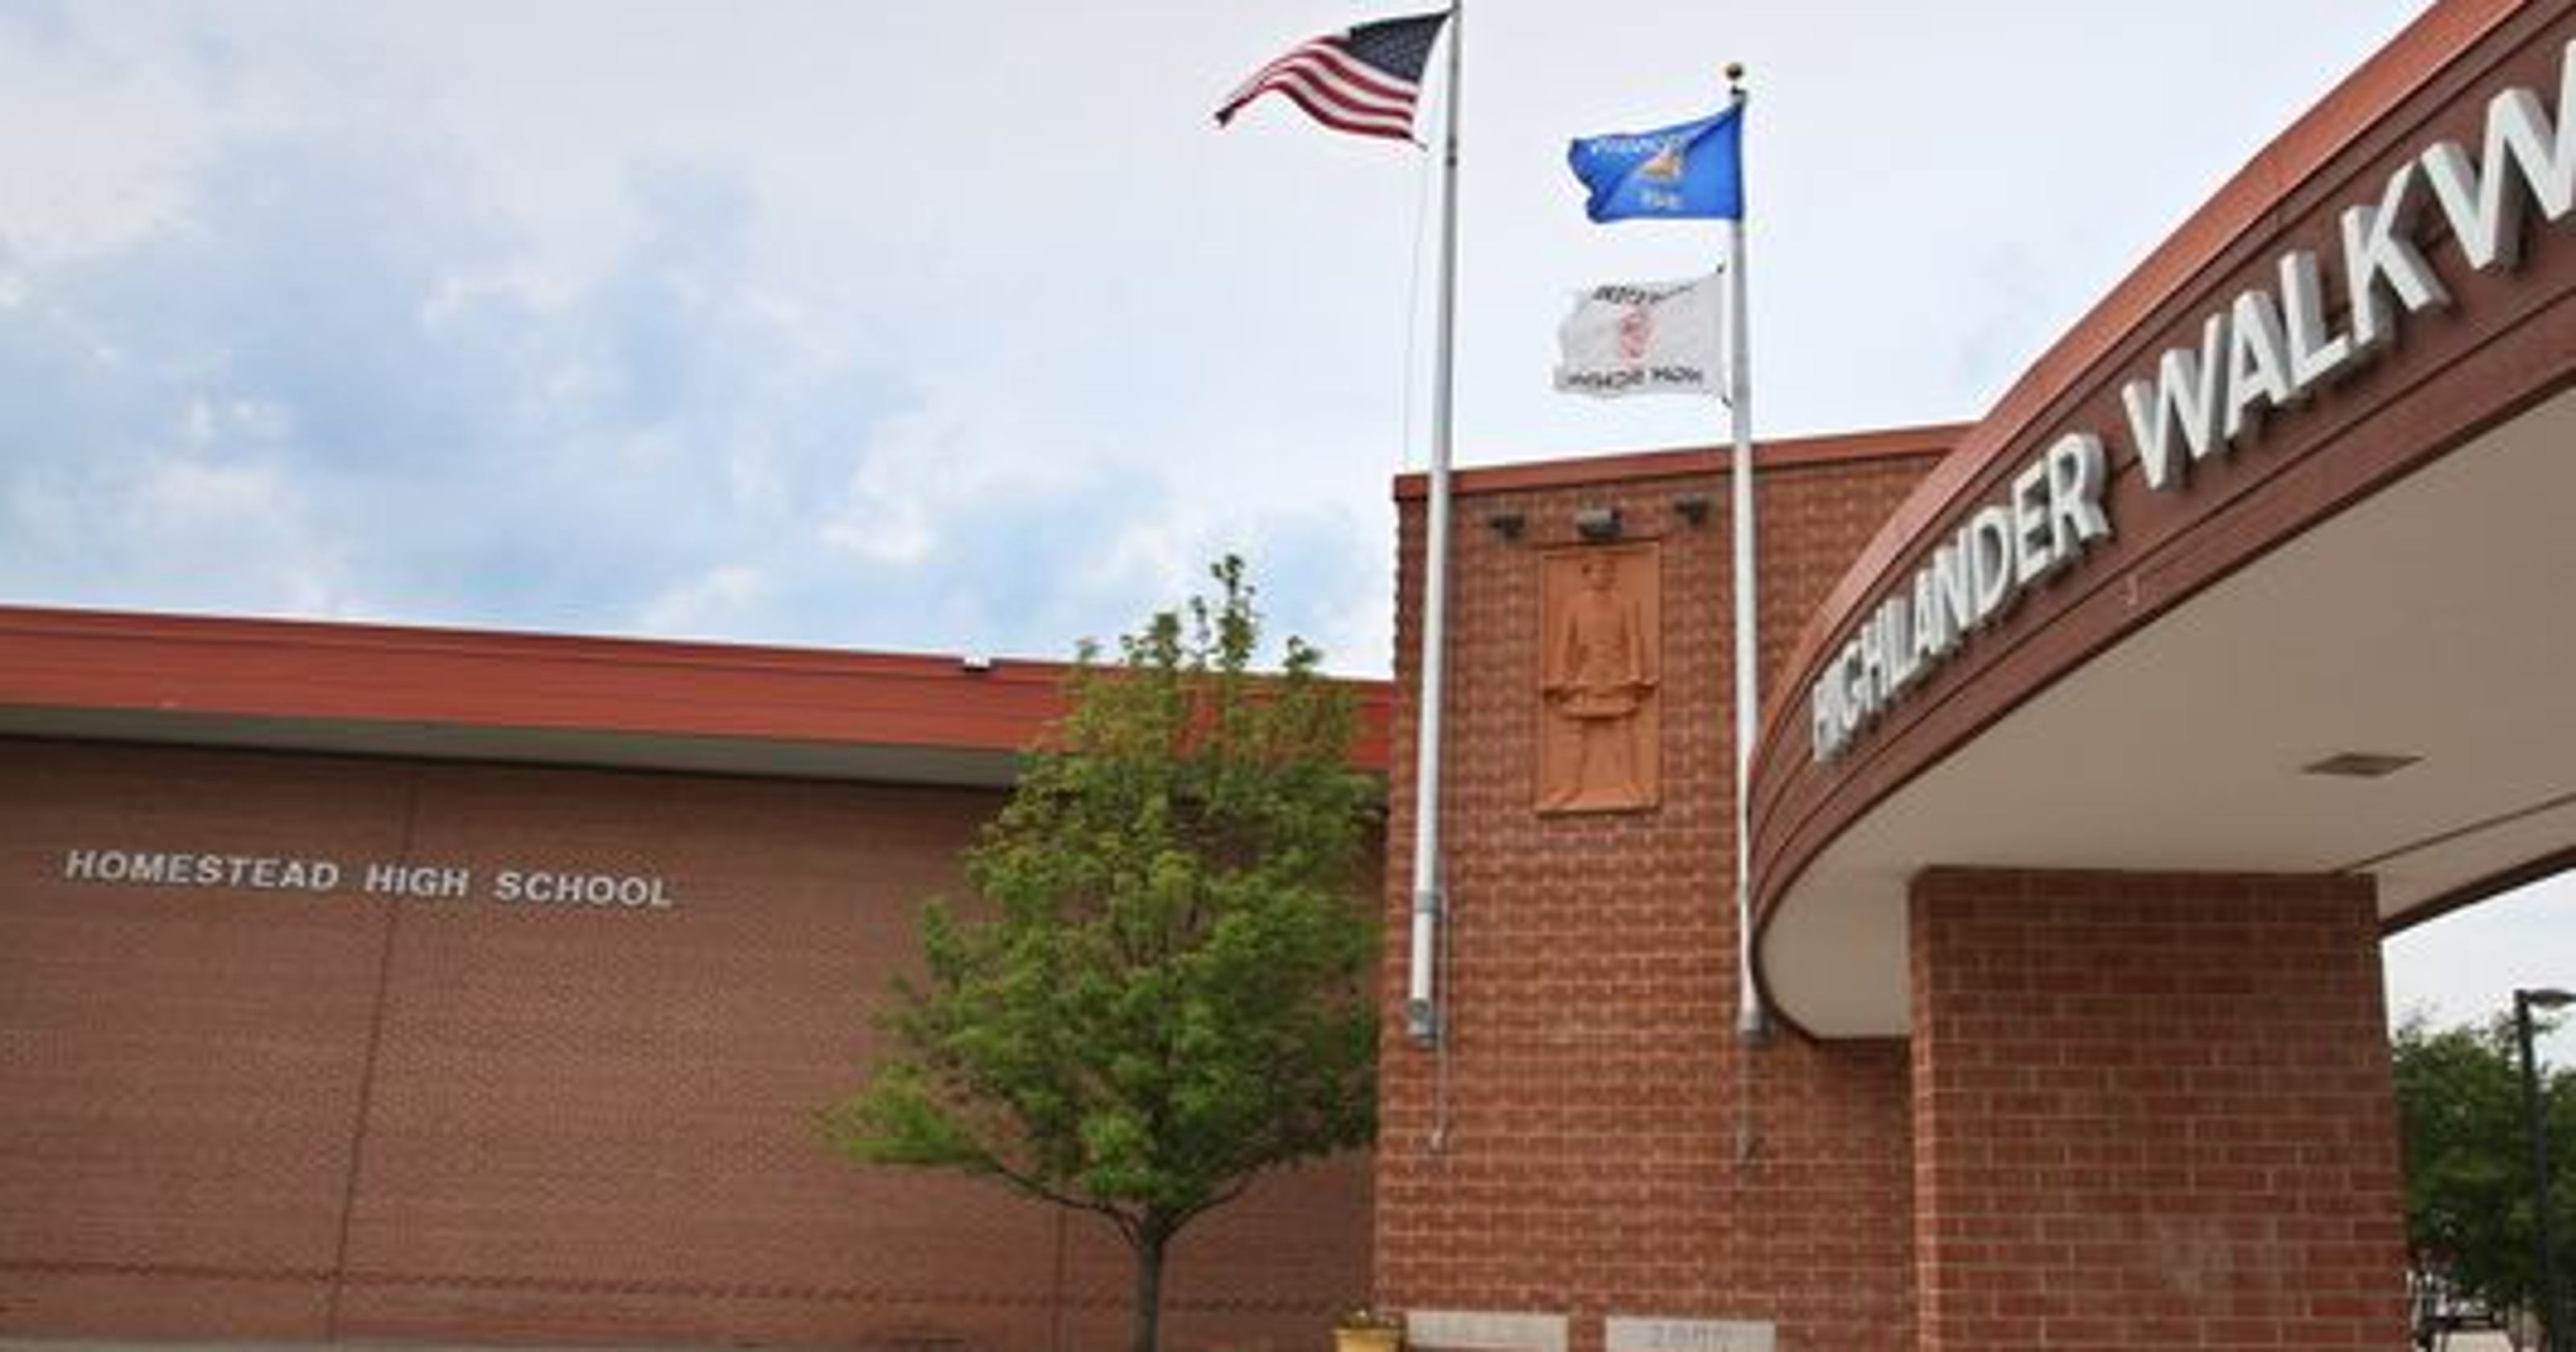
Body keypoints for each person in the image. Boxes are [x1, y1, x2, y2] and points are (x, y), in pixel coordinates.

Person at [1542, 552, 1655, 810]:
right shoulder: (1574, 605)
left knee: (1623, 732)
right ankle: (1569, 787)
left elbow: (1634, 641)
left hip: (1616, 676)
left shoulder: (1625, 603)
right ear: (1587, 574)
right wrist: (1560, 679)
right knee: (1576, 733)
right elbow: (1565, 645)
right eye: (1595, 570)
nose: (1601, 575)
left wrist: (1635, 674)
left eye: (1606, 570)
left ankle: (1630, 784)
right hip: (1585, 676)